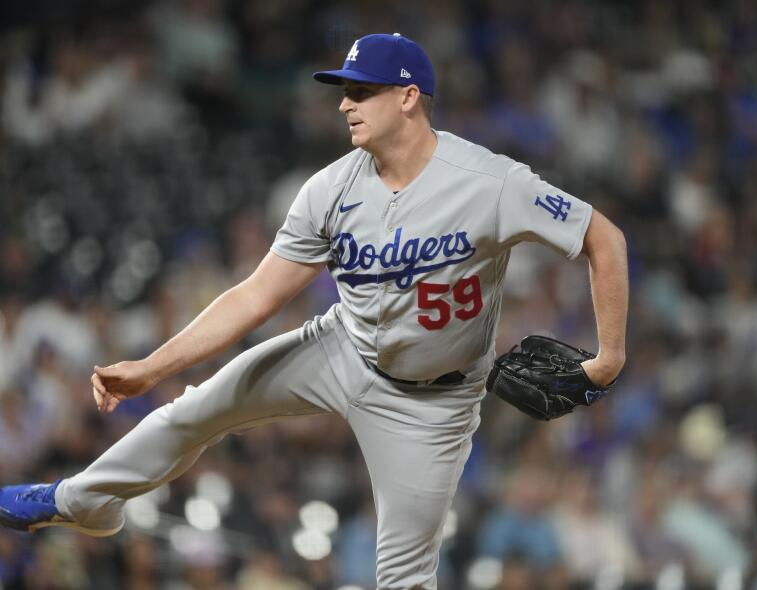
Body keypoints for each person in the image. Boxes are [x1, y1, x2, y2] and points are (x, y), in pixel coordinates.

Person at [0, 33, 628, 590]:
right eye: (343, 91)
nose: (343, 103)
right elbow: (256, 294)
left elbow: (604, 238)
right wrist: (152, 365)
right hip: (341, 349)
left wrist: (608, 360)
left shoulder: (490, 181)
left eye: (360, 90)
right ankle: (81, 500)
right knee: (195, 410)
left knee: (405, 579)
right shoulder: (330, 189)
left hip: (432, 406)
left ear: (408, 96)